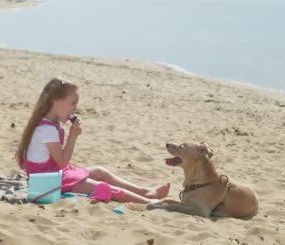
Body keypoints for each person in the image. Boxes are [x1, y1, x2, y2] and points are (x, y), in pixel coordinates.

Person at [15, 77, 170, 203]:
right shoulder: (47, 129)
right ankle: (147, 202)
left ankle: (144, 191)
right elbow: (62, 161)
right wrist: (73, 136)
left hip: (56, 174)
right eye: (73, 103)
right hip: (47, 183)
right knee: (103, 188)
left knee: (100, 171)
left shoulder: (53, 123)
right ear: (57, 101)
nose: (74, 109)